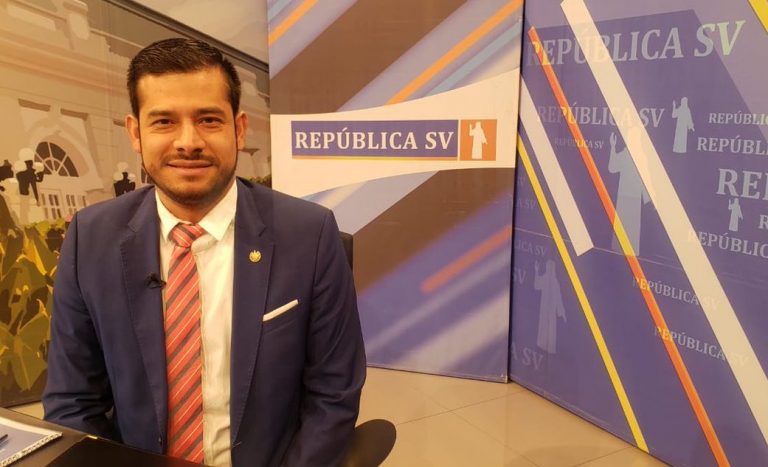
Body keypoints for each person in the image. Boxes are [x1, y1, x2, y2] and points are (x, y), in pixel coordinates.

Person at [43, 38, 366, 467]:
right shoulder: (90, 238)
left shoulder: (310, 234)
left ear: (239, 128)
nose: (188, 142)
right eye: (164, 122)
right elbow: (72, 401)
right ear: (135, 133)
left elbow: (334, 395)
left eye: (208, 119)